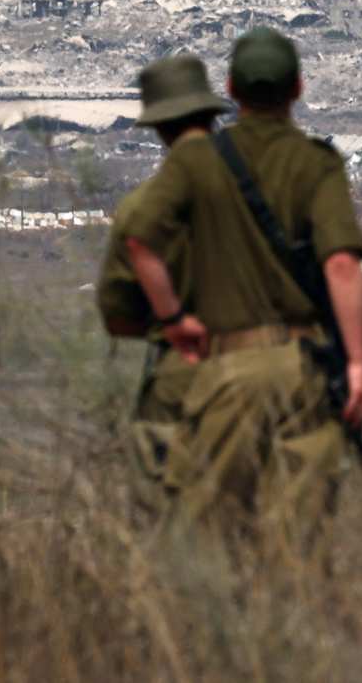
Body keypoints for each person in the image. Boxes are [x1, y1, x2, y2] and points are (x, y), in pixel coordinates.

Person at [120, 27, 362, 538]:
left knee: (216, 533)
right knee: (301, 536)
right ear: (298, 88)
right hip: (303, 370)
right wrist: (360, 363)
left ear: (230, 89)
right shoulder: (316, 162)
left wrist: (173, 319)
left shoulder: (197, 159)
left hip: (225, 369)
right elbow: (341, 266)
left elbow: (140, 242)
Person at [97, 54, 226, 519]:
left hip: (181, 373)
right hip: (270, 368)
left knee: (169, 515)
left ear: (159, 128)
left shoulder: (141, 207)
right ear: (211, 115)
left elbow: (117, 314)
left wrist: (170, 321)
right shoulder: (265, 191)